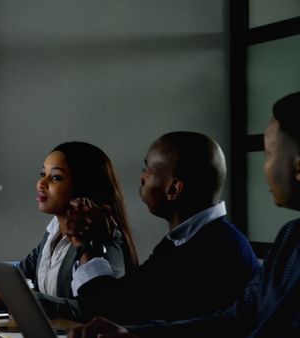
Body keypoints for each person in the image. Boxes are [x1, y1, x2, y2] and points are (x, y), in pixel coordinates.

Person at [69, 91, 300, 338]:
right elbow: (235, 318)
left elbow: (116, 308)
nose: (141, 177)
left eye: (269, 154)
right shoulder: (290, 236)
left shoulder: (216, 248)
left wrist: (88, 246)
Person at [67, 132, 260, 324]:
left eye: (147, 170)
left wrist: (86, 246)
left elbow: (112, 310)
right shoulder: (194, 238)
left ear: (173, 189)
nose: (141, 178)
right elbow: (131, 293)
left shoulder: (209, 250)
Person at [0, 141, 140, 321]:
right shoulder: (52, 233)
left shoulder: (104, 240)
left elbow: (94, 310)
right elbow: (15, 277)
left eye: (55, 178)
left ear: (83, 186)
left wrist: (14, 298)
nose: (41, 183)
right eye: (42, 174)